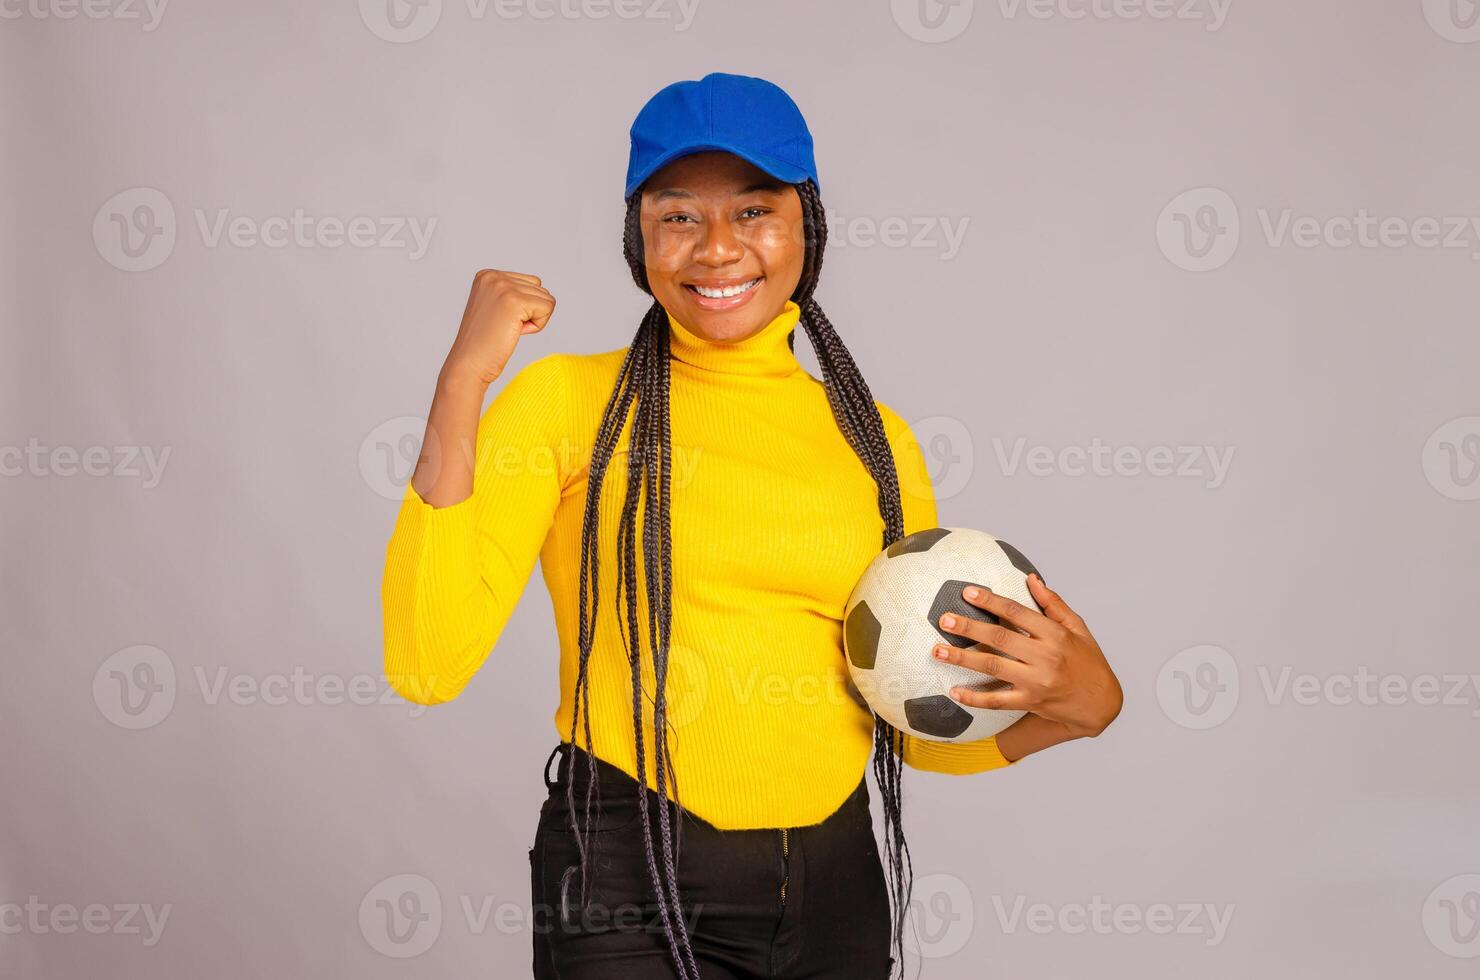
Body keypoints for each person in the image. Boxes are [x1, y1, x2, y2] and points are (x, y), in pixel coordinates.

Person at [381, 71, 1123, 980]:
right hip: (630, 881)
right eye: (678, 215)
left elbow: (911, 728)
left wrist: (1073, 713)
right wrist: (463, 382)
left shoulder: (876, 443)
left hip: (836, 891)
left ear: (806, 224)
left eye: (756, 210)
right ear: (638, 235)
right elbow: (426, 658)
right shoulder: (571, 405)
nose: (718, 249)